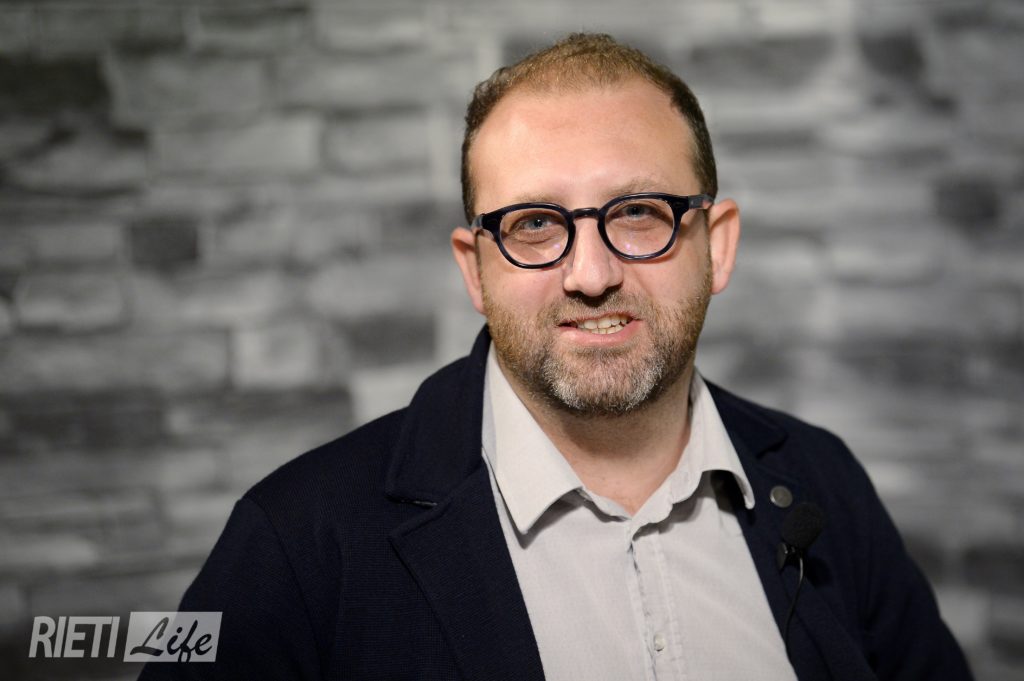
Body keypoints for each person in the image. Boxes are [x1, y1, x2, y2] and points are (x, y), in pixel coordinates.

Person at [140, 33, 973, 681]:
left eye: (639, 212)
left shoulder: (824, 483)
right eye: (535, 225)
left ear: (716, 246)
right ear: (475, 269)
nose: (591, 274)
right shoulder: (296, 539)